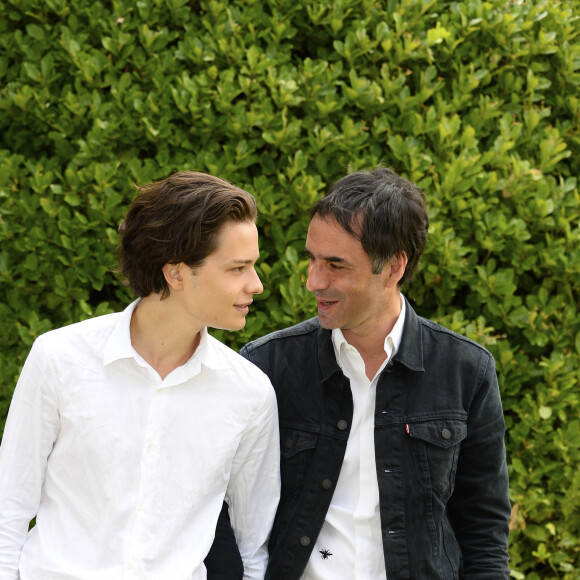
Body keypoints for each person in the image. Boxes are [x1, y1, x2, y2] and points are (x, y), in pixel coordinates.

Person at [0, 171, 280, 579]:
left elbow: (254, 547)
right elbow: (9, 506)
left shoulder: (249, 394)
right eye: (238, 268)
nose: (255, 284)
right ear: (177, 273)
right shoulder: (60, 358)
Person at [240, 167, 511, 579]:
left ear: (393, 268)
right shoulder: (267, 367)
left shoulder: (466, 370)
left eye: (336, 265)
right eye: (312, 259)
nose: (314, 281)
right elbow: (234, 518)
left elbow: (485, 529)